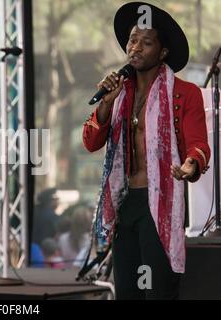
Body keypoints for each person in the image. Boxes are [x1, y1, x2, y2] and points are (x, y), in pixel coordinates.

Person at [82, 2, 210, 300]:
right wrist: (105, 104)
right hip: (126, 205)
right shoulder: (118, 93)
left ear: (162, 52)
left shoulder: (184, 93)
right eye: (132, 40)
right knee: (127, 292)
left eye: (146, 42)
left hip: (161, 204)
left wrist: (191, 164)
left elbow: (198, 144)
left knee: (157, 293)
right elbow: (90, 142)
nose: (135, 47)